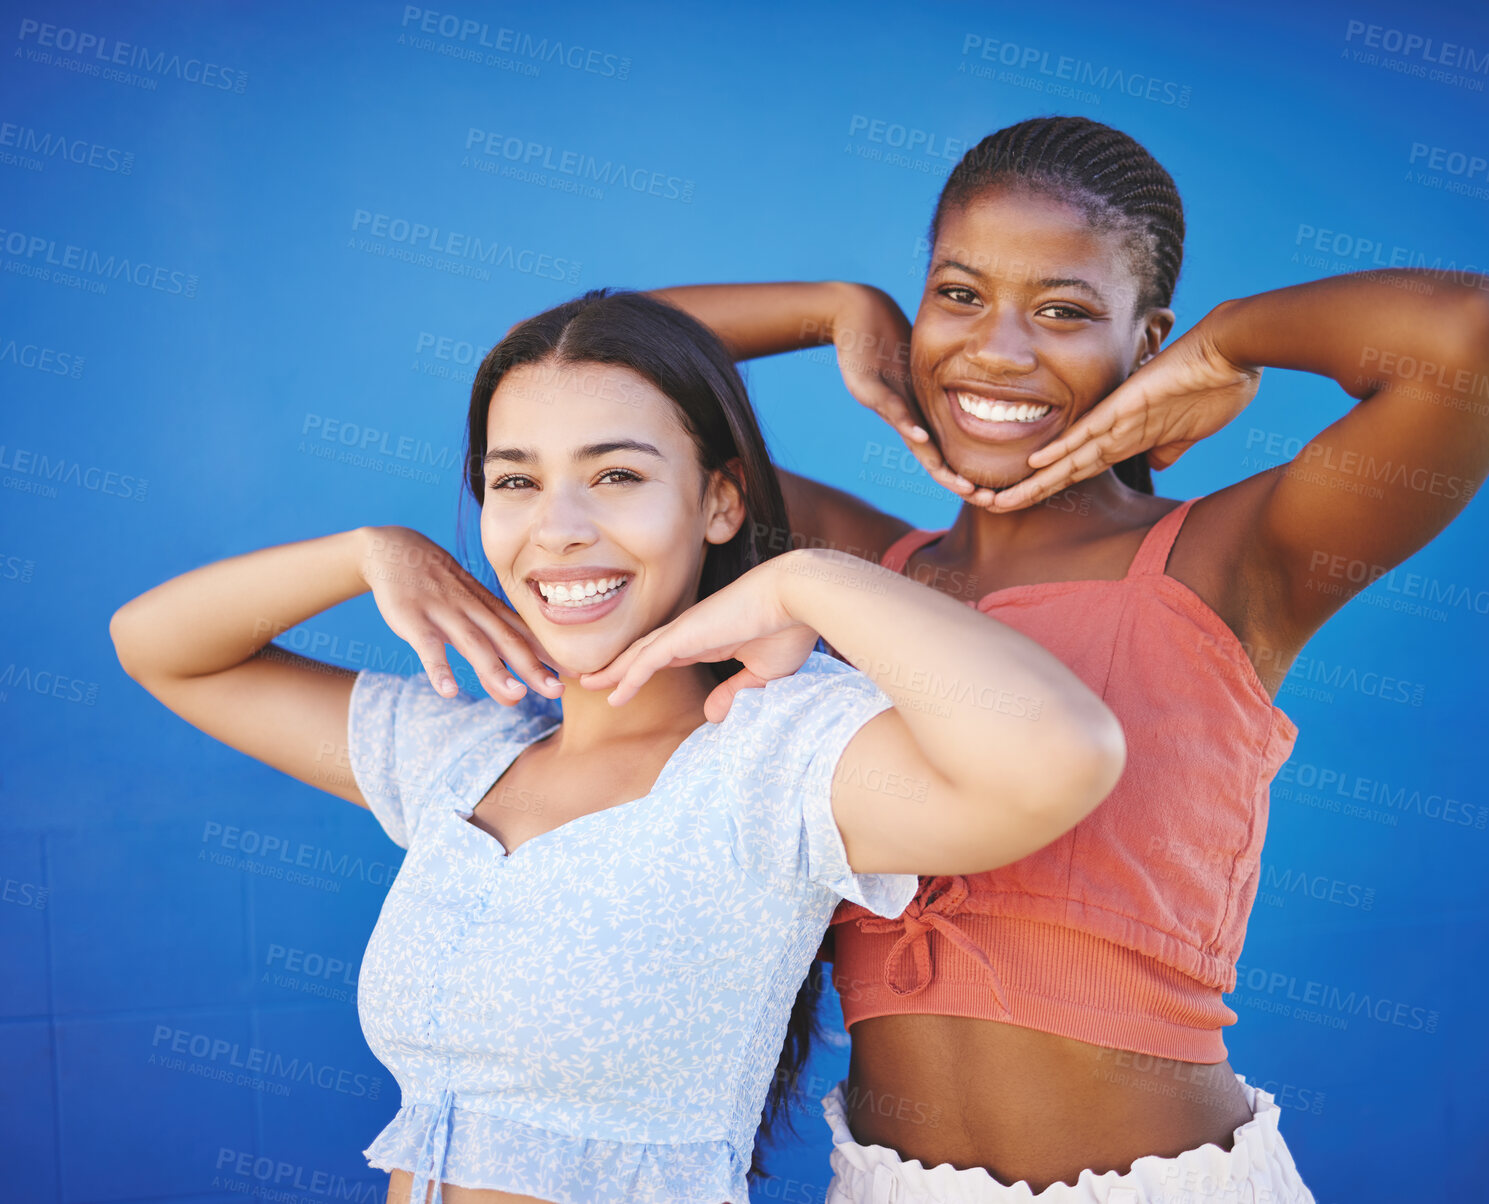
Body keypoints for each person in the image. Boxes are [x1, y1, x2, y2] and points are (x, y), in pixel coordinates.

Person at [650, 115, 1489, 1202]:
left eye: (1065, 311)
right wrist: (834, 308)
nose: (999, 349)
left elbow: (1478, 336)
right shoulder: (845, 569)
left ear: (1144, 338)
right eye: (959, 294)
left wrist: (1228, 345)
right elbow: (579, 369)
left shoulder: (1227, 561)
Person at [108, 289, 1127, 1204]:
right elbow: (161, 648)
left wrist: (806, 581)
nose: (557, 528)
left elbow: (1065, 750)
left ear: (720, 500)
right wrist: (366, 552)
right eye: (514, 481)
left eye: (617, 474)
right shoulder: (461, 756)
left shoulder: (771, 758)